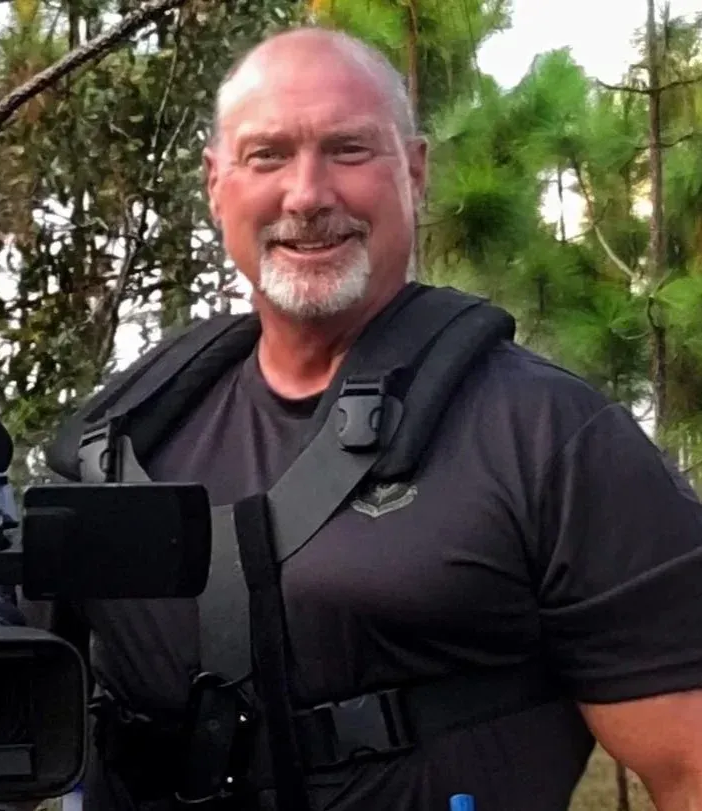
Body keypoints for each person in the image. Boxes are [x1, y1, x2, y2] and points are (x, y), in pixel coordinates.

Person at [50, 25, 702, 811]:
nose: (307, 194)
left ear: (415, 172)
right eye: (267, 156)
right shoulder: (120, 439)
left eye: (349, 150)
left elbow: (688, 765)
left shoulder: (548, 437)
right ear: (215, 183)